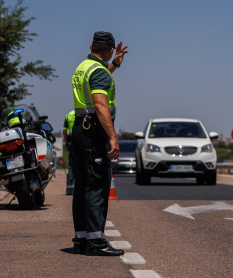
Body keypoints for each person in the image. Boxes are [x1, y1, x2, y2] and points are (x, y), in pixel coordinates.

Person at [71, 31, 128, 256]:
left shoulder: (84, 67)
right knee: (97, 187)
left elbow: (98, 79)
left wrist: (114, 65)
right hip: (94, 133)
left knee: (82, 187)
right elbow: (100, 105)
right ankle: (97, 244)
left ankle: (82, 241)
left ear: (91, 45)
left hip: (79, 130)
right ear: (111, 49)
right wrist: (113, 138)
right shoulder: (99, 73)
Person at [63, 110, 75, 195]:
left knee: (71, 166)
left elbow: (64, 131)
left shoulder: (68, 115)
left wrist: (66, 144)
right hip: (82, 141)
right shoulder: (85, 113)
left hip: (72, 142)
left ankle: (69, 189)